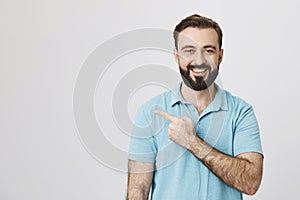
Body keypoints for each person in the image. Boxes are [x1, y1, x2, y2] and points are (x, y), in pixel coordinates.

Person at [127, 14, 263, 200]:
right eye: (189, 51)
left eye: (208, 50)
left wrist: (192, 142)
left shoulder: (241, 112)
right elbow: (138, 190)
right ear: (176, 56)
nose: (199, 60)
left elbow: (251, 182)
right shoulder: (150, 113)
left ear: (220, 56)